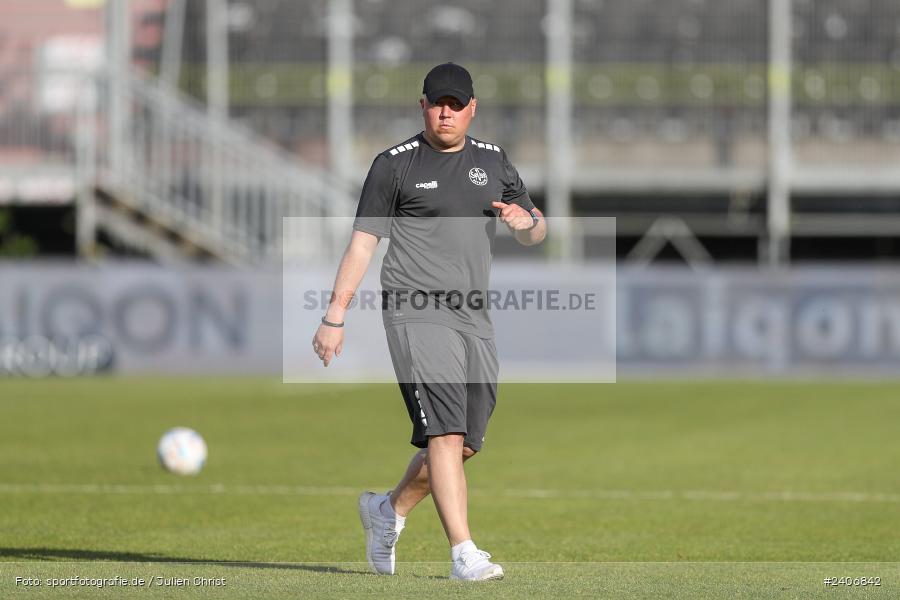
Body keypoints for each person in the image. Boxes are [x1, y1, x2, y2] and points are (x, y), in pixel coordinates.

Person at [311, 62, 546, 581]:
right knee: (445, 431)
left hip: (474, 315)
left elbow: (537, 228)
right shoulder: (393, 165)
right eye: (438, 102)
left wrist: (523, 222)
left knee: (463, 443)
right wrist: (335, 315)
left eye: (456, 104)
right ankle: (464, 552)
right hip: (415, 310)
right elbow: (363, 243)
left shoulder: (493, 160)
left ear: (472, 109)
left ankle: (386, 511)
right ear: (423, 105)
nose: (446, 112)